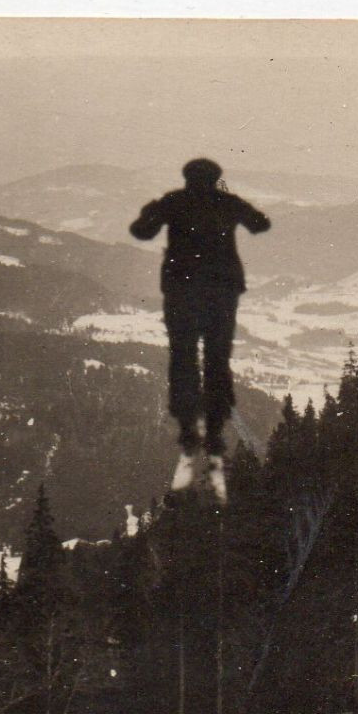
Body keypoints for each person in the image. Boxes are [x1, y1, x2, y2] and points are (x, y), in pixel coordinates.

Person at [129, 158, 271, 500]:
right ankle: (216, 427)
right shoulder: (228, 202)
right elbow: (260, 224)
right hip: (222, 290)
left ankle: (188, 426)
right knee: (217, 357)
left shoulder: (172, 202)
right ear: (216, 179)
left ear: (187, 178)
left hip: (182, 290)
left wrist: (149, 209)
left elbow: (141, 231)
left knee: (183, 356)